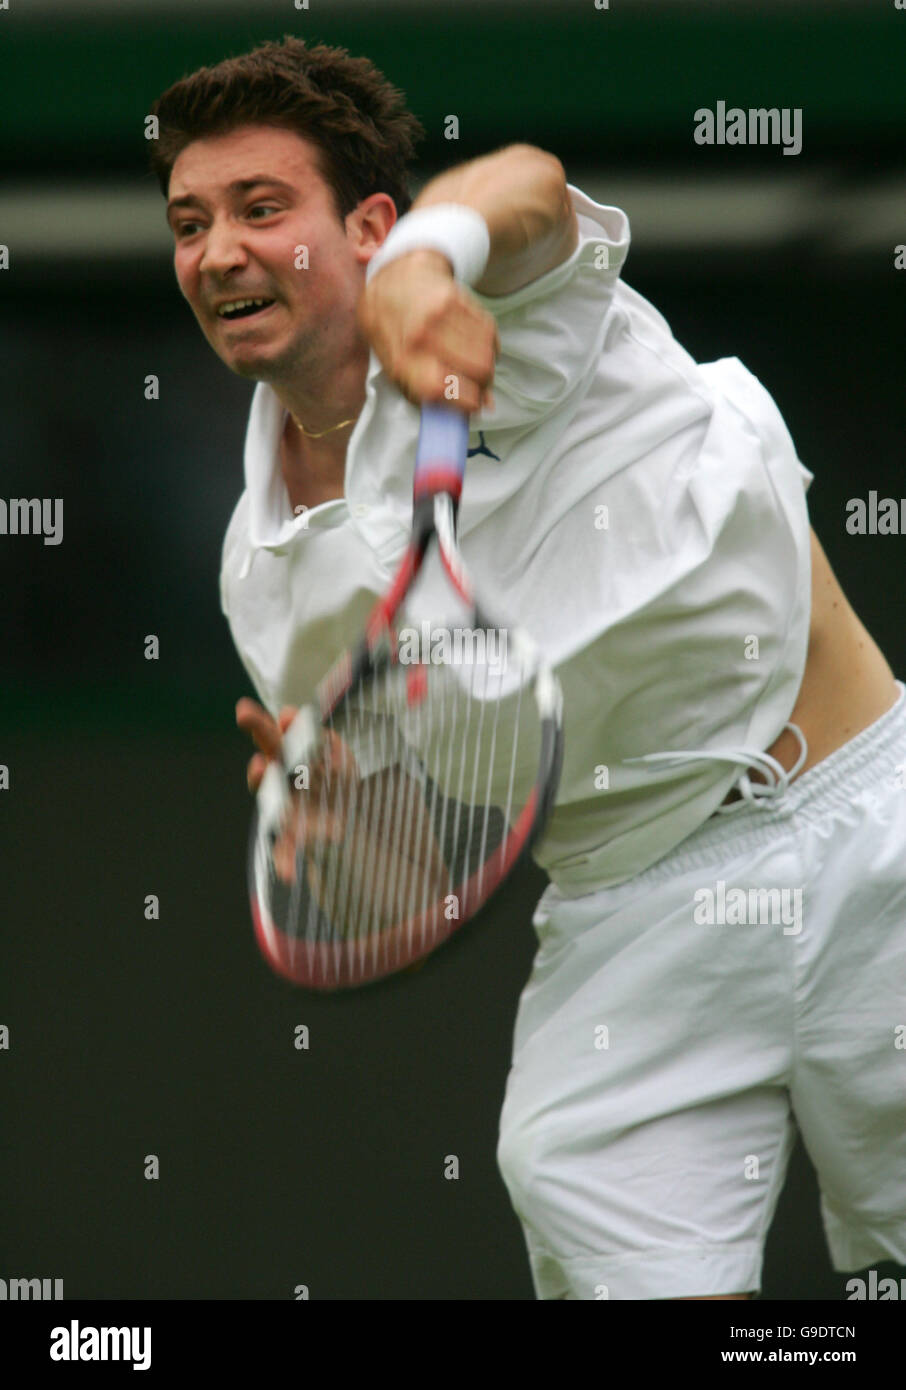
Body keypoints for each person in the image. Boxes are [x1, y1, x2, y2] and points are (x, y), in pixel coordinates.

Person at [149, 36, 906, 1300]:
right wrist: (346, 842)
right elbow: (431, 866)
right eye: (188, 222)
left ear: (372, 224)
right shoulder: (265, 583)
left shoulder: (497, 299)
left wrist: (433, 264)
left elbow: (531, 184)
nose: (215, 249)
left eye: (260, 207)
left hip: (870, 822)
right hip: (629, 917)